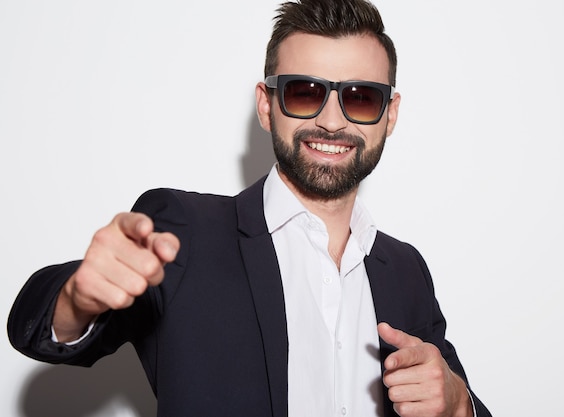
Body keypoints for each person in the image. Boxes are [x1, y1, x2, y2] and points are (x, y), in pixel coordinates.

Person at [8, 0, 492, 416]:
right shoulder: (183, 233)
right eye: (305, 93)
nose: (330, 120)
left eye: (360, 98)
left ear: (390, 116)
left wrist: (457, 404)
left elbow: (459, 401)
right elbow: (35, 325)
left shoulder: (405, 270)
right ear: (266, 105)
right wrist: (75, 300)